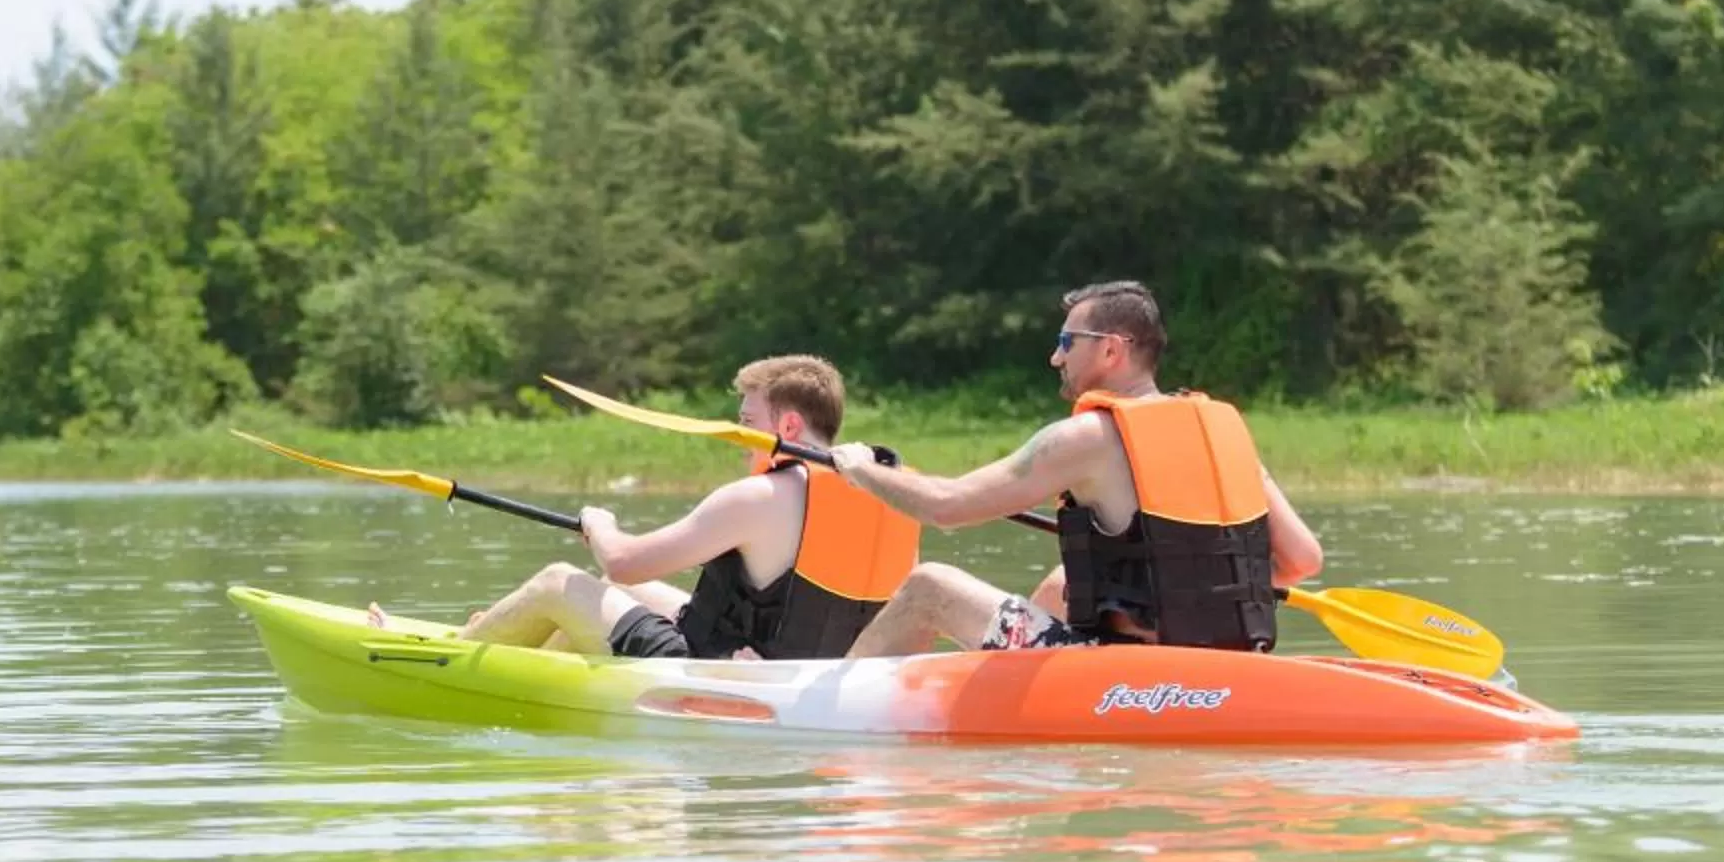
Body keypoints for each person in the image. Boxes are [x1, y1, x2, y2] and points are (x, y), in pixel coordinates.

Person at [830, 281, 1322, 656]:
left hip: (1131, 670)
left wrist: (859, 469)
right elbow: (1302, 561)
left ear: (1111, 349)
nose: (1055, 357)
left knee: (929, 586)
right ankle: (994, 689)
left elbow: (946, 508)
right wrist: (1194, 584)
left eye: (1068, 341)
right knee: (1061, 583)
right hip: (1228, 658)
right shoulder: (1225, 432)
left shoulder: (1087, 437)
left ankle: (833, 706)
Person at [382, 355, 920, 661]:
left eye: (747, 422)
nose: (740, 437)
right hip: (798, 672)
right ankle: (510, 648)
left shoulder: (758, 496)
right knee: (620, 596)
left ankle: (437, 661)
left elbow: (622, 561)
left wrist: (600, 526)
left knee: (558, 582)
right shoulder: (893, 498)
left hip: (712, 674)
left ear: (789, 428)